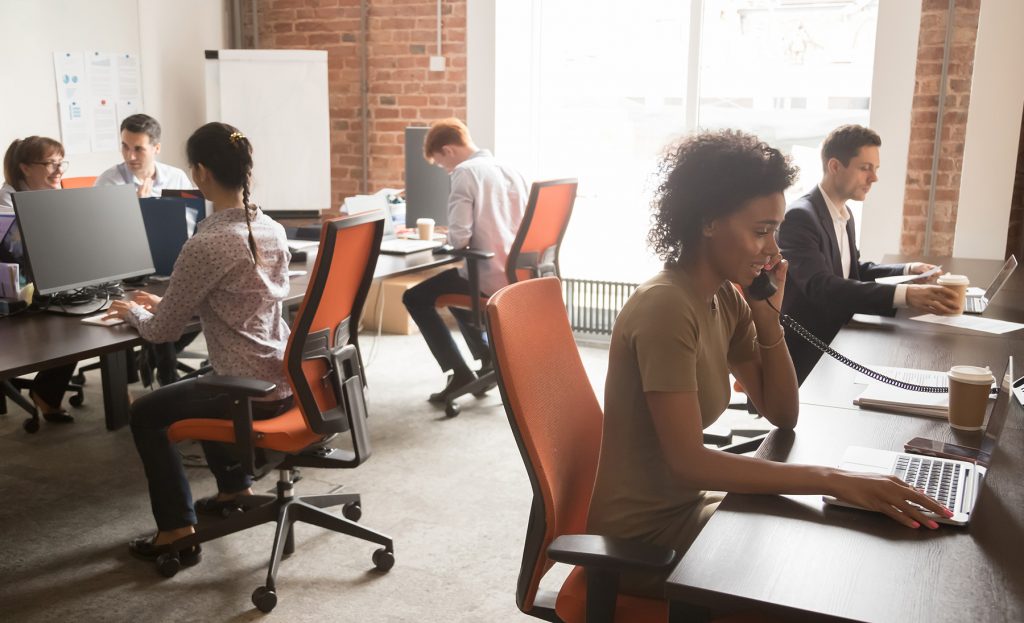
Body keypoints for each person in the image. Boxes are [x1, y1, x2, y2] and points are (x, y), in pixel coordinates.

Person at [586, 130, 952, 598]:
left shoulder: (722, 295)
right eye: (760, 231)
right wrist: (831, 479)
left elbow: (782, 412)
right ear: (708, 222)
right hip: (643, 540)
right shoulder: (667, 307)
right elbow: (689, 464)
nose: (773, 251)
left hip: (690, 508)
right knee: (819, 568)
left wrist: (767, 313)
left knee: (831, 533)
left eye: (775, 231)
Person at [103, 122, 292, 564]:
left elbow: (160, 332)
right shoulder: (271, 228)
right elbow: (232, 295)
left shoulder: (207, 242)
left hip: (242, 386)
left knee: (148, 412)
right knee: (205, 382)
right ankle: (233, 489)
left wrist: (130, 309)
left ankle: (175, 530)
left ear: (200, 173)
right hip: (283, 374)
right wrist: (168, 300)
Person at [779, 124, 959, 384]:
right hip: (810, 351)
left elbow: (852, 270)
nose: (873, 178)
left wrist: (908, 271)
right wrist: (906, 296)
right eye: (865, 168)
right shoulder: (800, 217)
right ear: (834, 166)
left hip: (841, 336)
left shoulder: (843, 213)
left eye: (875, 169)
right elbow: (821, 286)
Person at [402, 118, 528, 402]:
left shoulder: (464, 172)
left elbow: (459, 238)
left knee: (415, 297)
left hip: (489, 277)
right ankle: (486, 358)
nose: (445, 169)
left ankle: (458, 372)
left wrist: (444, 242)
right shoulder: (511, 170)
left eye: (441, 163)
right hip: (520, 276)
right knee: (452, 288)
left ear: (448, 150)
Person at [0, 136, 78, 424]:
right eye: (50, 164)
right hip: (13, 291)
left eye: (61, 163)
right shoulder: (6, 204)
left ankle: (47, 390)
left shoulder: (51, 194)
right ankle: (46, 392)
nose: (58, 171)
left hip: (46, 282)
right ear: (25, 168)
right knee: (69, 323)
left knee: (82, 315)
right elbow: (20, 251)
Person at [94, 113, 191, 198]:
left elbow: (193, 217)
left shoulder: (177, 179)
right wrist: (135, 206)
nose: (130, 156)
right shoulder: (108, 182)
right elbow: (98, 218)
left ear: (157, 148)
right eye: (125, 146)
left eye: (138, 149)